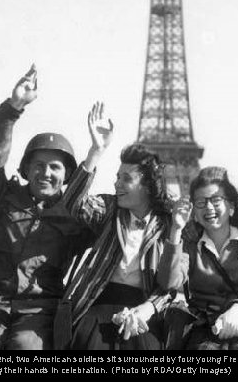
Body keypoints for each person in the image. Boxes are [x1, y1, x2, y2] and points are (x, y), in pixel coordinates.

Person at [0, 65, 112, 350]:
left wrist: (95, 153)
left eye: (55, 167)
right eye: (38, 165)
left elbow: (116, 224)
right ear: (26, 169)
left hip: (41, 312)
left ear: (67, 175)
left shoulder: (77, 215)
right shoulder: (2, 198)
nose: (46, 173)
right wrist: (13, 108)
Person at [57, 142, 179, 350]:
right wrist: (95, 151)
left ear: (148, 186)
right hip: (98, 301)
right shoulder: (110, 209)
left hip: (143, 308)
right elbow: (74, 203)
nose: (117, 184)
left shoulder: (168, 223)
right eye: (117, 177)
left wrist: (148, 308)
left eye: (127, 179)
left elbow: (169, 287)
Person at [159, 166, 238, 350]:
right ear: (194, 211)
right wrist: (176, 229)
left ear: (232, 207)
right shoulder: (189, 244)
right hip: (206, 325)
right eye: (201, 202)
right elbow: (168, 282)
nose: (208, 207)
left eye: (216, 200)